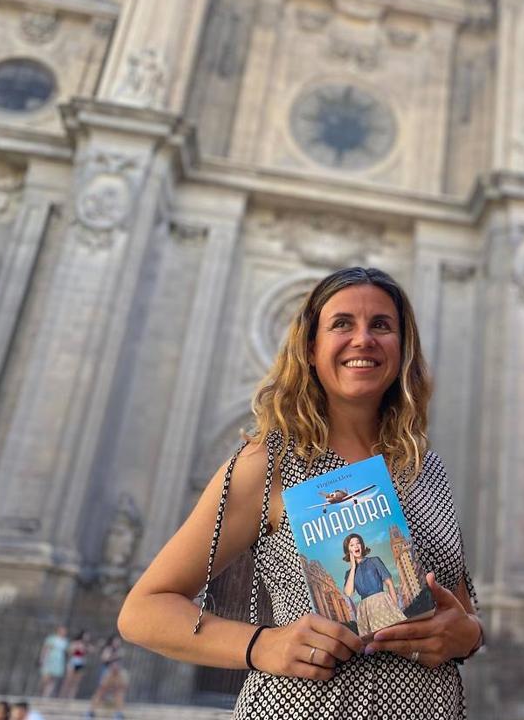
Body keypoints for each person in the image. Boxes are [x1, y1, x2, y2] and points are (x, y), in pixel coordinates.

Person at [118, 267, 484, 718]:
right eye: (342, 324)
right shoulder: (266, 465)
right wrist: (263, 645)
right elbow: (142, 611)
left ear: (402, 349)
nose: (363, 339)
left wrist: (468, 636)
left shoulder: (426, 469)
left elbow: (463, 611)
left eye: (382, 326)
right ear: (310, 349)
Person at [340, 532, 404, 635]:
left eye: (358, 543)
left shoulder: (374, 561)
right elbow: (348, 593)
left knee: (395, 633)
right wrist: (353, 568)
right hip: (365, 609)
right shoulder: (349, 573)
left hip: (382, 602)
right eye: (352, 545)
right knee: (375, 640)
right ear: (348, 550)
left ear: (362, 545)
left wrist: (395, 607)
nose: (356, 546)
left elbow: (389, 584)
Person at [38, 626, 67, 697]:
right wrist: (42, 658)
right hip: (49, 659)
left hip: (58, 661)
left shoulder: (65, 641)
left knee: (53, 680)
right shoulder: (51, 639)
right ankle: (40, 692)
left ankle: (46, 695)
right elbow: (45, 649)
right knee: (45, 679)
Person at [60, 630, 89, 698]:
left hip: (81, 663)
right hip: (73, 662)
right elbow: (69, 652)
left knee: (76, 683)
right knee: (68, 681)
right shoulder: (75, 643)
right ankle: (62, 696)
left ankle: (71, 697)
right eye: (86, 635)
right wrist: (76, 648)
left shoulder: (86, 645)